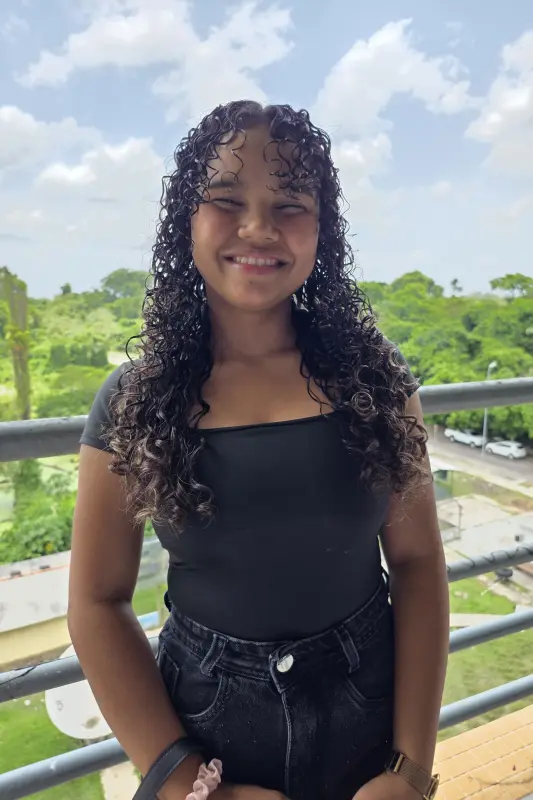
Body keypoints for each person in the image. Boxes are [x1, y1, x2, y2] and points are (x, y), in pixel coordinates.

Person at [70, 100, 449, 800]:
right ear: (185, 218)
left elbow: (418, 563)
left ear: (323, 228)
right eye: (225, 199)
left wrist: (410, 769)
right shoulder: (134, 399)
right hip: (210, 736)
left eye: (290, 204)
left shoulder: (377, 380)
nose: (257, 227)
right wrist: (185, 781)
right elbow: (97, 602)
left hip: (369, 716)